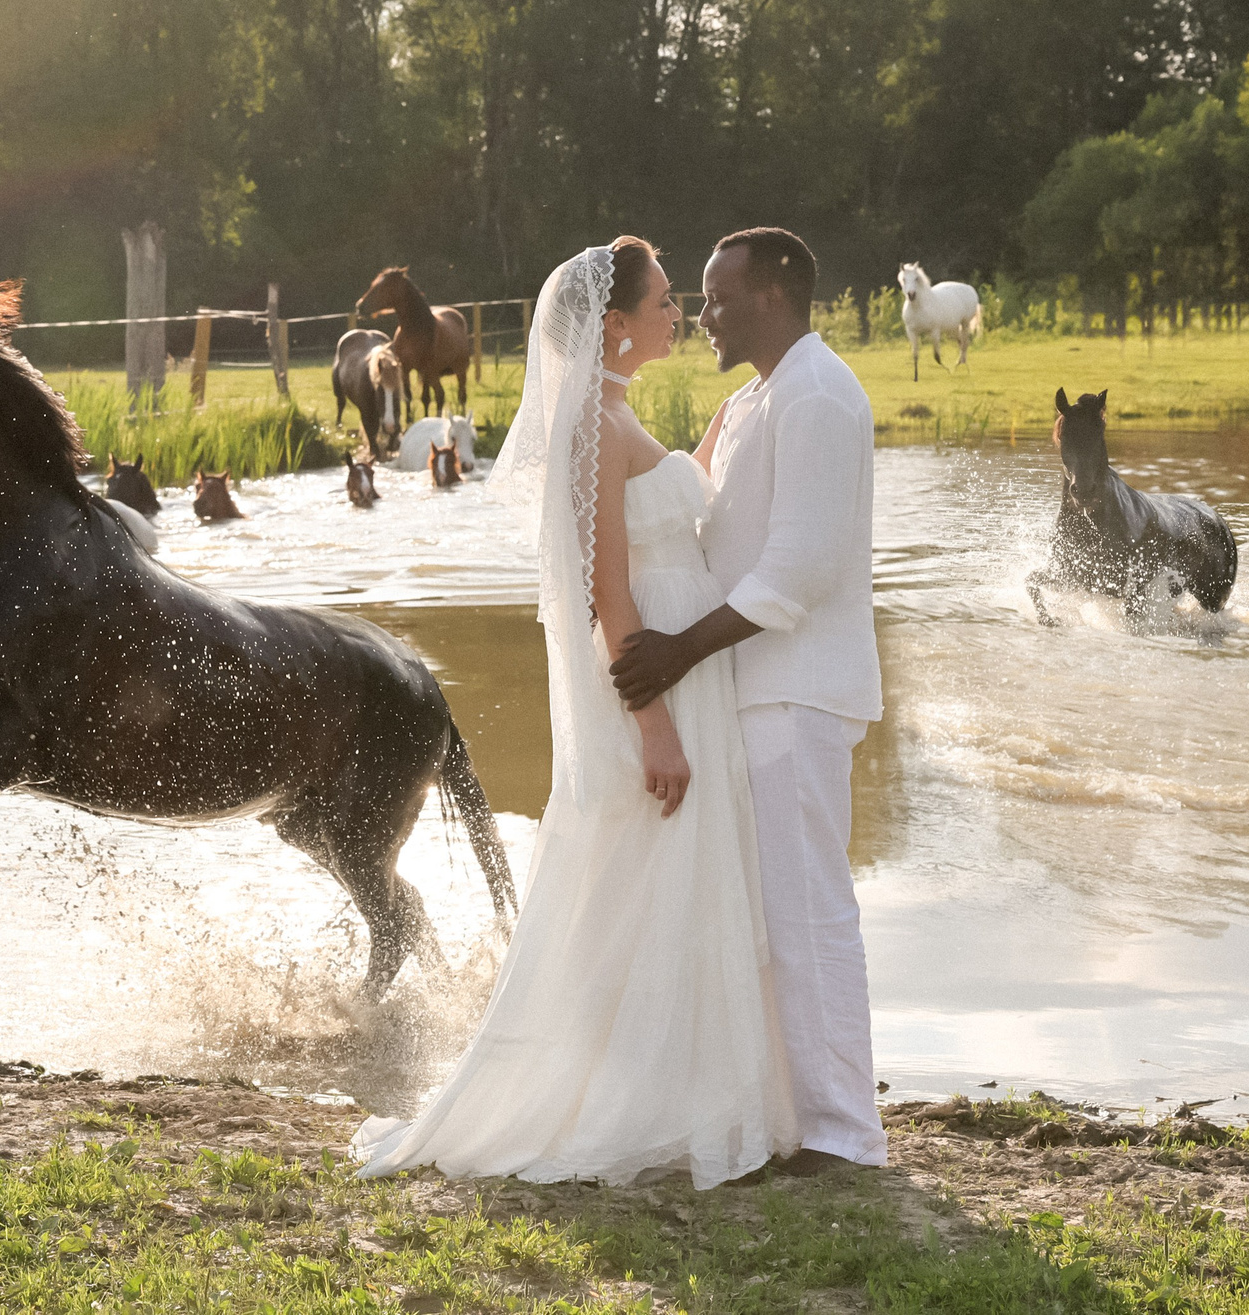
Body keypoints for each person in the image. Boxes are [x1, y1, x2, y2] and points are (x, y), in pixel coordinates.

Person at [353, 237, 798, 1189]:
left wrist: (712, 445)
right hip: (656, 687)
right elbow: (606, 594)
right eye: (667, 301)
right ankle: (620, 1097)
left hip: (683, 678)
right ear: (615, 324)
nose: (679, 315)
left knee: (663, 885)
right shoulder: (592, 430)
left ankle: (680, 1083)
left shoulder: (616, 415)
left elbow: (660, 522)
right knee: (636, 882)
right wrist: (655, 726)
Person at [609, 226, 886, 1174]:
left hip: (797, 693)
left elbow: (799, 570)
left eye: (719, 296)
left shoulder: (816, 394)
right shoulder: (757, 396)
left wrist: (681, 648)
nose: (705, 312)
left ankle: (846, 1133)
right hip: (755, 692)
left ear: (772, 292)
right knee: (774, 915)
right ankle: (797, 1112)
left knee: (810, 912)